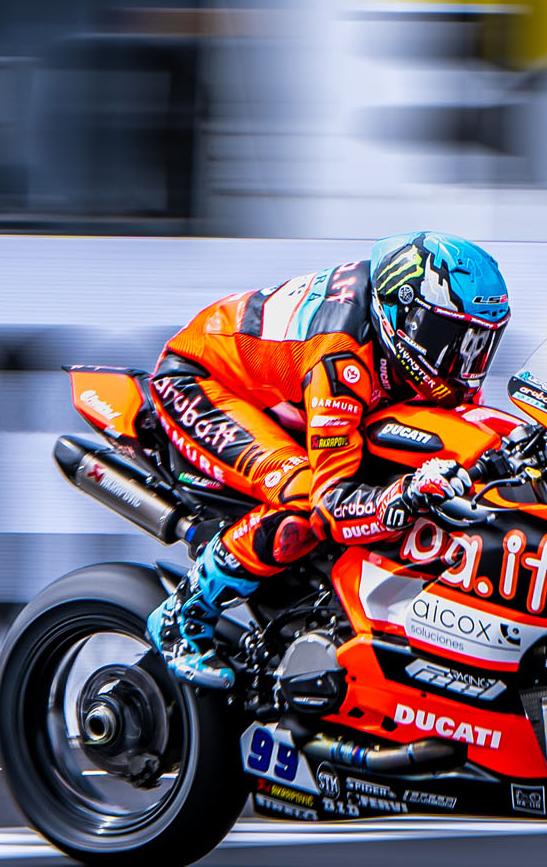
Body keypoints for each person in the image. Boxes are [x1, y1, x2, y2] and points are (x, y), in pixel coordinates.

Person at [145, 232, 511, 688]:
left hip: (288, 394)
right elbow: (330, 506)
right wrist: (404, 494)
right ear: (405, 314)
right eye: (449, 340)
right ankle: (181, 615)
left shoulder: (407, 343)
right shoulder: (340, 356)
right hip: (201, 381)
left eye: (478, 345)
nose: (462, 363)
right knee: (300, 502)